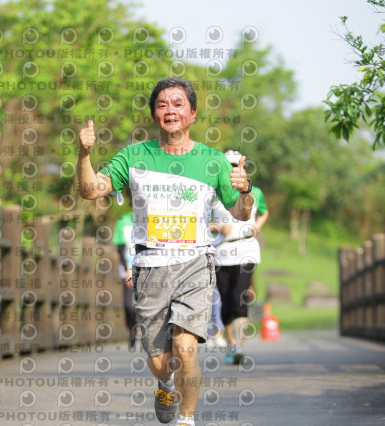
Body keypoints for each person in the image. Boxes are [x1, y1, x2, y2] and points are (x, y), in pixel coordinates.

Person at [77, 77, 254, 426]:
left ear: (191, 114)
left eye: (177, 104)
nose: (170, 110)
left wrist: (245, 187)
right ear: (155, 115)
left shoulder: (214, 161)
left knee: (187, 348)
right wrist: (83, 154)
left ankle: (186, 420)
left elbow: (241, 213)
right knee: (161, 360)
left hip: (195, 264)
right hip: (150, 266)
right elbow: (89, 190)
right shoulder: (134, 155)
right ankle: (165, 383)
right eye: (162, 105)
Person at [211, 151, 268, 364]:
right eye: (230, 165)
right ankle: (230, 343)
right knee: (226, 301)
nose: (233, 169)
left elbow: (264, 211)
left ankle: (238, 346)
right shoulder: (213, 193)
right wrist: (217, 227)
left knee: (239, 297)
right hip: (221, 253)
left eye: (237, 165)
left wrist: (258, 227)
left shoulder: (255, 191)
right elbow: (202, 222)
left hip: (246, 250)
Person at [112, 188, 139, 349]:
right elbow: (120, 249)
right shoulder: (123, 221)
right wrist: (127, 270)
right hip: (128, 270)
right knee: (129, 306)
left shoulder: (152, 220)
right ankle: (132, 330)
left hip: (148, 268)